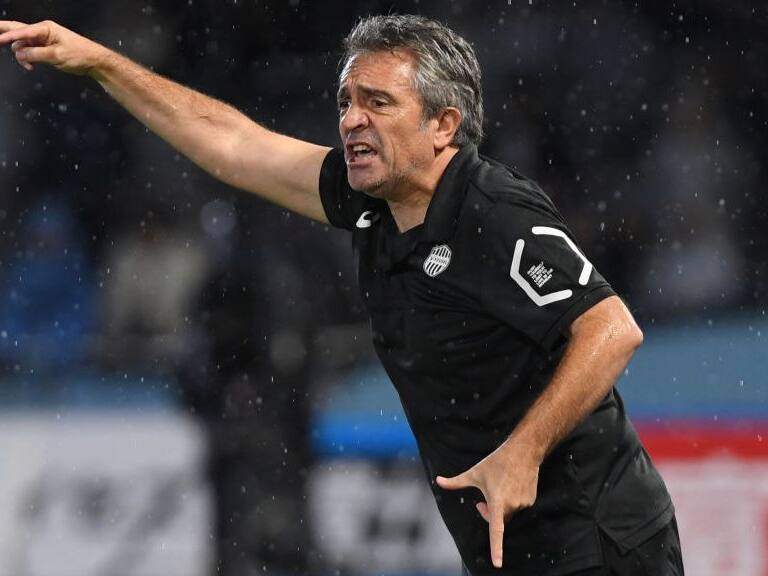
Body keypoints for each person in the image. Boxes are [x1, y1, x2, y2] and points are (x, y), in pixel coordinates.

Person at [0, 14, 683, 575]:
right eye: (346, 104)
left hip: (599, 538)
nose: (352, 120)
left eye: (378, 103)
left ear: (444, 125)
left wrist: (521, 454)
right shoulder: (369, 204)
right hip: (512, 540)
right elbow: (234, 145)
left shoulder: (492, 211)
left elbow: (610, 328)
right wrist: (100, 64)